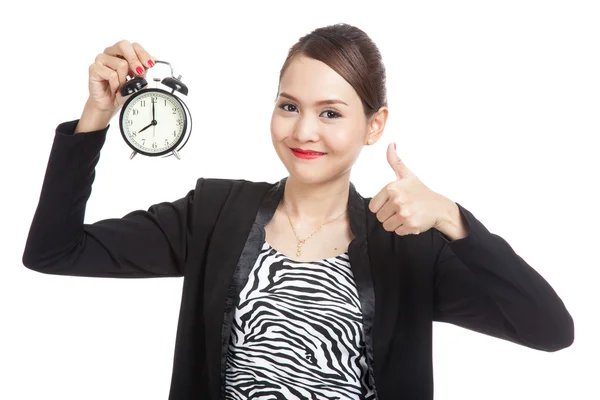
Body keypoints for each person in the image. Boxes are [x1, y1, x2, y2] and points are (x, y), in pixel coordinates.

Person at [22, 23, 574, 400]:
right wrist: (96, 113)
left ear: (374, 125)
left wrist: (454, 219)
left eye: (330, 113)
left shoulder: (408, 244)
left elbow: (550, 329)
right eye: (289, 106)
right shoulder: (215, 213)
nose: (303, 131)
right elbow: (54, 250)